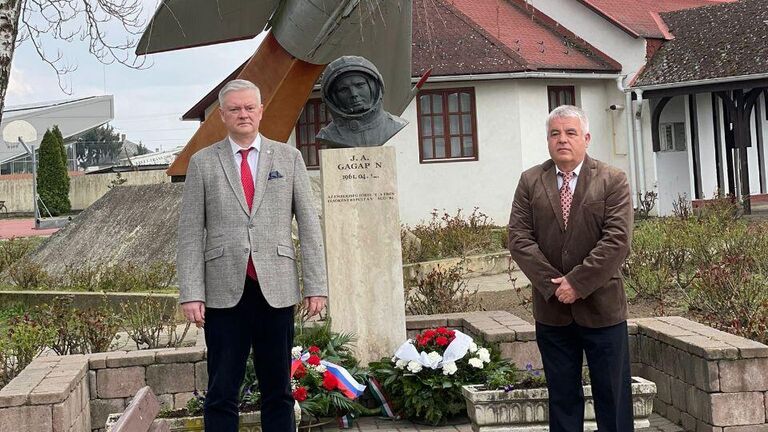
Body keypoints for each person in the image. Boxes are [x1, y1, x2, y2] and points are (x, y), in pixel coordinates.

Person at [176, 79, 328, 432]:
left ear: (261, 111)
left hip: (276, 289)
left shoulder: (289, 158)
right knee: (222, 390)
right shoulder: (203, 163)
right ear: (222, 115)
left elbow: (309, 225)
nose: (243, 114)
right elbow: (188, 233)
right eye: (234, 109)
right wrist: (191, 293)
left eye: (249, 108)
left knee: (277, 389)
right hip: (222, 293)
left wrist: (316, 285)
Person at [507, 105, 634, 432]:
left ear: (586, 138)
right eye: (555, 133)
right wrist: (554, 286)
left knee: (613, 400)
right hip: (552, 311)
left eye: (570, 132)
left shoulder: (612, 180)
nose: (562, 139)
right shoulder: (530, 181)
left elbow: (617, 240)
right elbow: (519, 239)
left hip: (603, 309)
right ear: (548, 140)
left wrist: (577, 282)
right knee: (562, 400)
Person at [316, 55, 407, 148]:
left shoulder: (397, 126)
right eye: (343, 89)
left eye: (359, 85)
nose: (353, 94)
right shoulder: (329, 135)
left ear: (373, 87)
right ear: (334, 97)